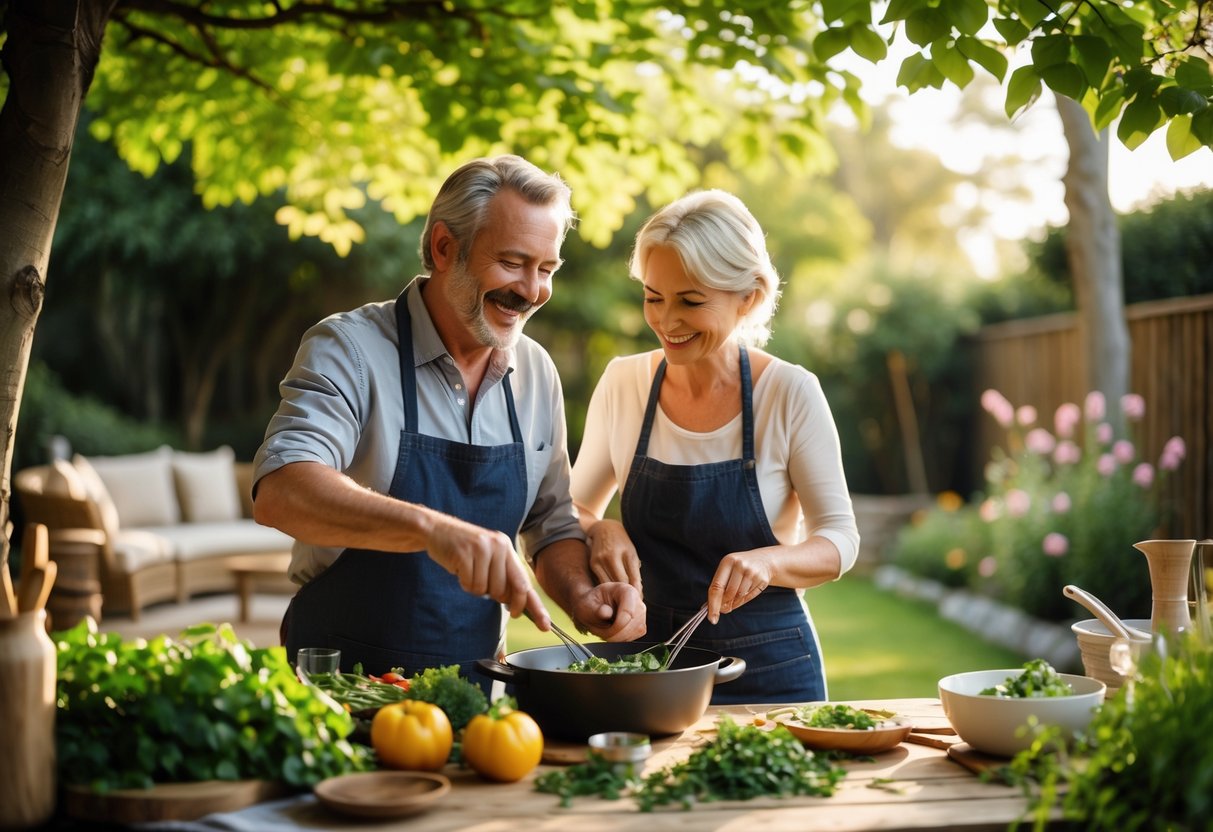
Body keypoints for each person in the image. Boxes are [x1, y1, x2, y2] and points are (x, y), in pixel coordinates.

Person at [253, 155, 646, 689]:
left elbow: (550, 523)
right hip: (341, 689)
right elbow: (281, 488)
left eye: (547, 269)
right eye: (512, 262)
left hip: (474, 692)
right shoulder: (349, 347)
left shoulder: (535, 372)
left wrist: (582, 595)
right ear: (444, 248)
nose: (531, 290)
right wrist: (432, 531)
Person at [570, 190, 860, 704]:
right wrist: (599, 529)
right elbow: (571, 508)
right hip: (649, 663)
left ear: (747, 297)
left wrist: (769, 563)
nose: (666, 321)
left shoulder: (789, 392)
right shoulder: (624, 383)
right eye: (653, 297)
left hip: (771, 667)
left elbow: (840, 540)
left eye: (690, 301)